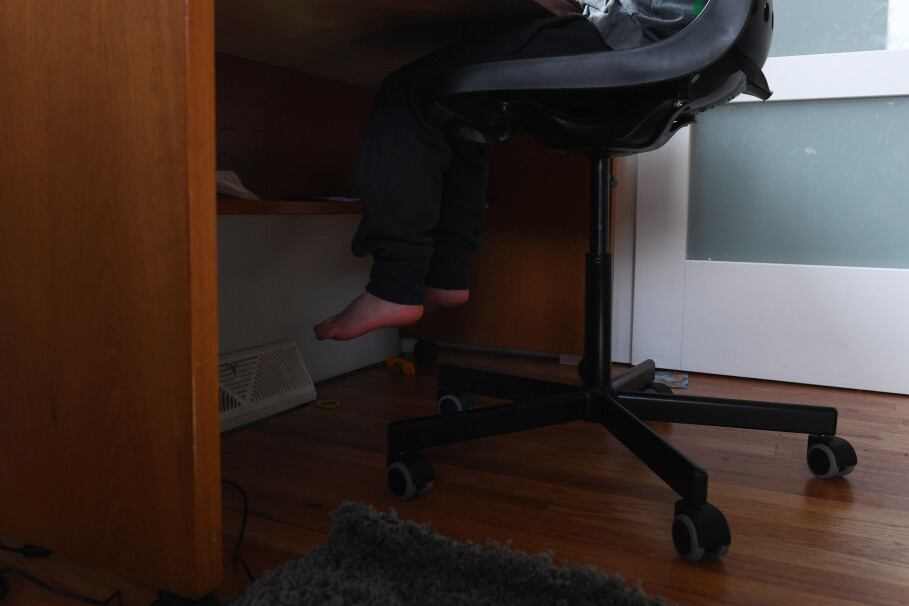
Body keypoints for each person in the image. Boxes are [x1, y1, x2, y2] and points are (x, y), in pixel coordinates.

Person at [314, 0, 700, 341]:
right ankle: (446, 276)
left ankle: (393, 286)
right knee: (458, 103)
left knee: (410, 92)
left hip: (637, 36)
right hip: (674, 43)